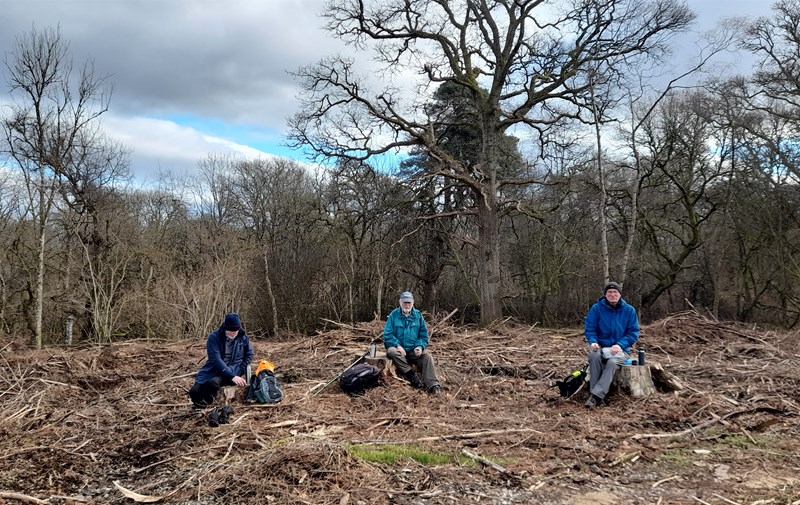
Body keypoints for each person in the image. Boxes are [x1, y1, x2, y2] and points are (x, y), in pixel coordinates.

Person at [583, 282, 640, 408]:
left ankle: (595, 396)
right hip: (601, 346)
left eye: (615, 292)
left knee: (612, 362)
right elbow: (590, 328)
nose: (612, 295)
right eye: (609, 292)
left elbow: (633, 333)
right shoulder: (596, 308)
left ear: (620, 294)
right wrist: (593, 341)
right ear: (605, 295)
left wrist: (620, 345)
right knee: (594, 356)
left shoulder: (629, 310)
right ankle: (596, 393)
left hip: (621, 349)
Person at [188, 313, 254, 409]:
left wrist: (240, 369)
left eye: (236, 331)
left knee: (212, 384)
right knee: (194, 391)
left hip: (233, 370)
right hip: (214, 369)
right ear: (225, 328)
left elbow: (249, 354)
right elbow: (215, 359)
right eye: (231, 331)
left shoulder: (243, 337)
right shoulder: (214, 337)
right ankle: (199, 407)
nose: (234, 333)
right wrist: (231, 375)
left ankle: (210, 406)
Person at [383, 291, 442, 394]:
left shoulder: (418, 316)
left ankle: (433, 385)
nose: (407, 305)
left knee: (427, 357)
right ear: (400, 302)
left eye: (409, 302)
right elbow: (387, 335)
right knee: (391, 351)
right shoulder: (393, 315)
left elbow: (424, 336)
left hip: (413, 351)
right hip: (399, 351)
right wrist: (397, 345)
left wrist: (419, 346)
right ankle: (410, 374)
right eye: (405, 302)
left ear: (413, 303)